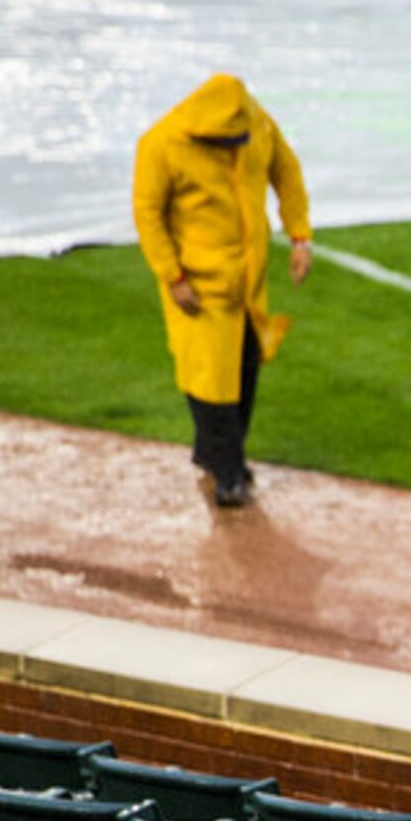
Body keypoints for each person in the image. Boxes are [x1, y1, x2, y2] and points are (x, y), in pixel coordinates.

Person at [132, 73, 311, 510]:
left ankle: (216, 454)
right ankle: (230, 471)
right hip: (198, 285)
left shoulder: (256, 125)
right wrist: (172, 276)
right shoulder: (162, 144)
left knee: (246, 365)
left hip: (247, 281)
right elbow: (148, 213)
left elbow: (285, 170)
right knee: (211, 378)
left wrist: (299, 234)